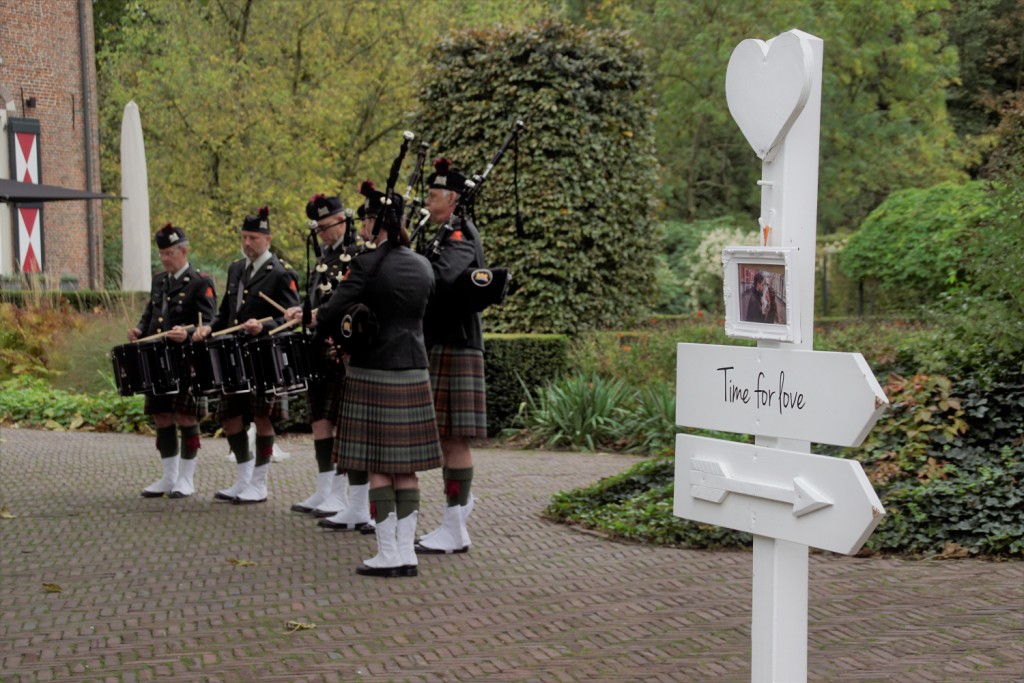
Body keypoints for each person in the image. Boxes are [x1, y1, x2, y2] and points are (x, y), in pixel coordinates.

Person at [313, 181, 440, 578]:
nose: (363, 227)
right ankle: (406, 552)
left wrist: (324, 326)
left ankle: (388, 553)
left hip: (374, 369)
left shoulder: (367, 264)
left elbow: (332, 311)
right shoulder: (422, 265)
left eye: (366, 220)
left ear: (375, 223)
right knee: (406, 469)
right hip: (414, 368)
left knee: (379, 465)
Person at [193, 206, 299, 504]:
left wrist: (263, 326)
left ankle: (260, 483)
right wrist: (209, 328)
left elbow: (291, 319)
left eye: (253, 238)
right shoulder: (236, 269)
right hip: (233, 356)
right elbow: (226, 312)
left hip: (263, 356)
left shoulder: (281, 273)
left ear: (268, 239)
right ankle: (243, 479)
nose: (247, 243)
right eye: (244, 237)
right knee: (230, 419)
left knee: (262, 418)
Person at [415, 158, 488, 555]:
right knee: (447, 436)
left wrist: (413, 266)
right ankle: (455, 516)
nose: (427, 201)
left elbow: (442, 278)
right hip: (444, 340)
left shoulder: (459, 233)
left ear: (453, 198)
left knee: (454, 437)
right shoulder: (444, 232)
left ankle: (455, 527)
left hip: (456, 342)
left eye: (433, 195)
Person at [129, 223, 217, 499]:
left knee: (186, 416)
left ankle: (186, 479)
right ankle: (168, 477)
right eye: (162, 254)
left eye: (170, 254)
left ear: (183, 251)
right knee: (162, 415)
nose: (165, 259)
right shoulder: (159, 280)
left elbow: (210, 321)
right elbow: (150, 313)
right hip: (157, 357)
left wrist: (188, 333)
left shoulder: (200, 281)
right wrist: (139, 330)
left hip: (185, 359)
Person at [286, 194, 353, 517]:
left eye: (326, 226)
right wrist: (302, 312)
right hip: (317, 345)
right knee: (320, 420)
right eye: (319, 228)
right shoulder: (323, 254)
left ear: (342, 221)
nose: (322, 233)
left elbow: (349, 300)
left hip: (339, 346)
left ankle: (340, 493)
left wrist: (319, 316)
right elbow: (317, 297)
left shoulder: (355, 252)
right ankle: (325, 488)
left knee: (340, 422)